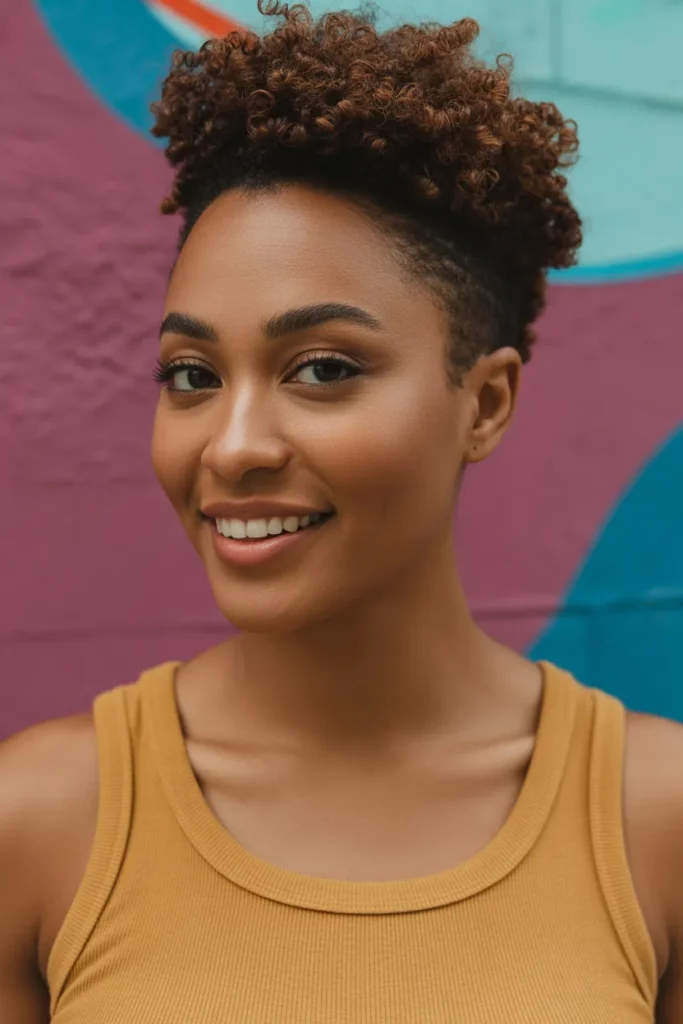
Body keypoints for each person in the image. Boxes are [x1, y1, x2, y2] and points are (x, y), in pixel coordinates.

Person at [2, 3, 682, 1020]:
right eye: (190, 375)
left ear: (483, 401)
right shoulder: (41, 820)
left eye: (320, 369)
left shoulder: (652, 817)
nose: (231, 446)